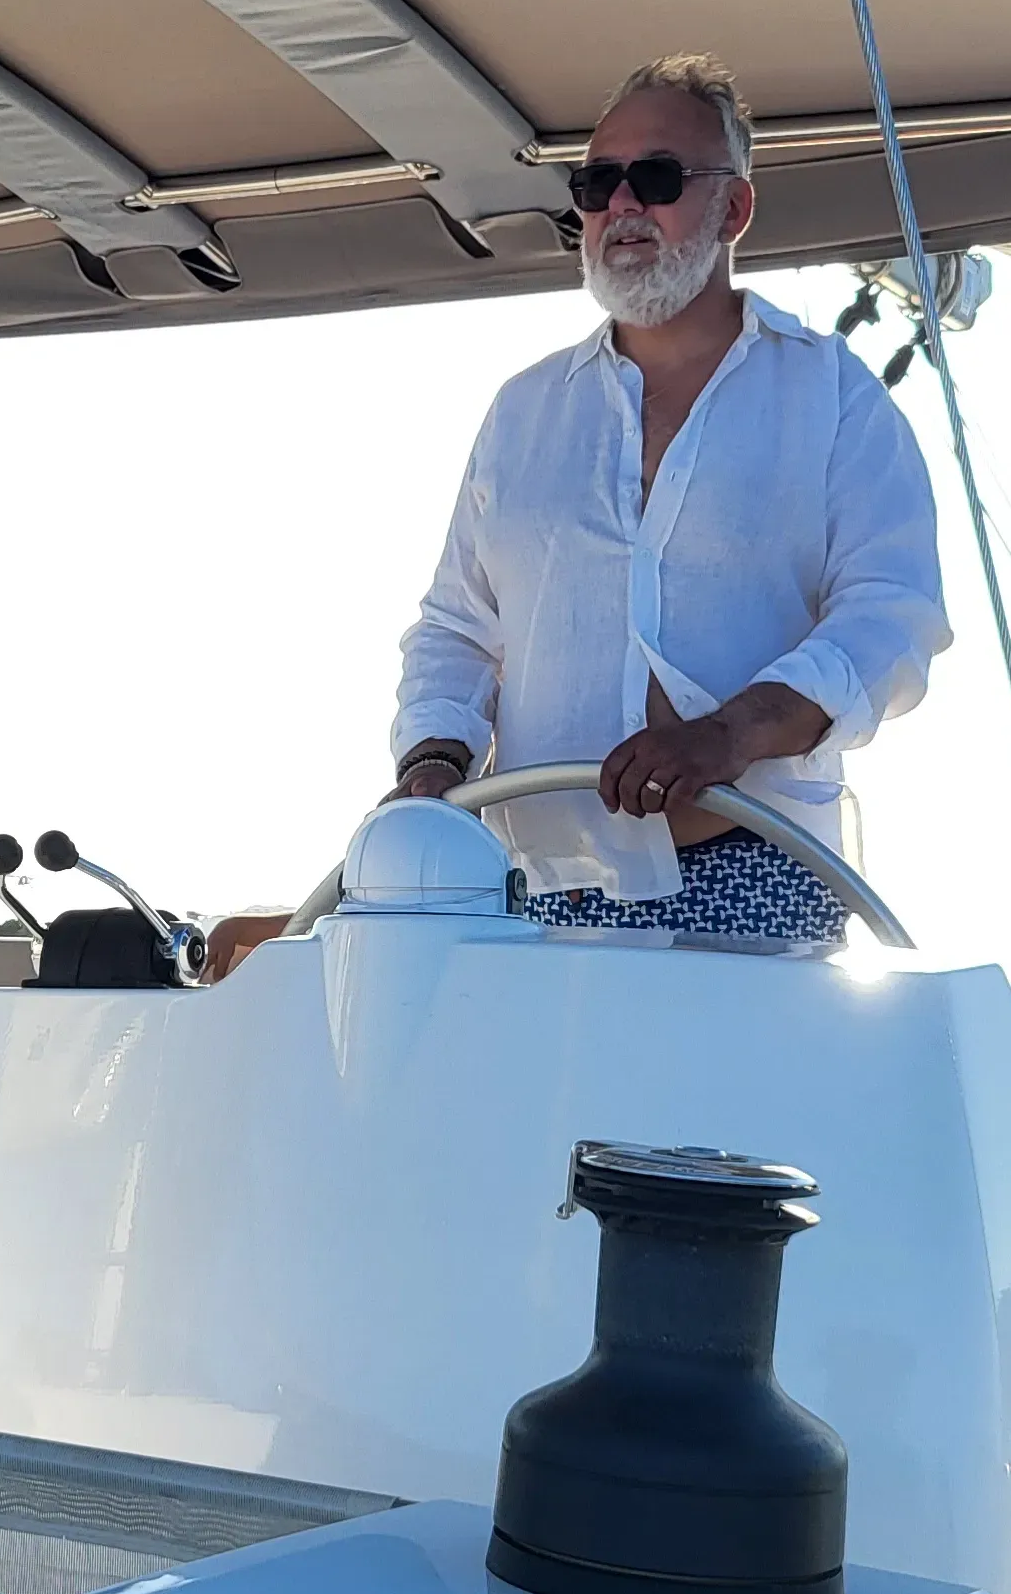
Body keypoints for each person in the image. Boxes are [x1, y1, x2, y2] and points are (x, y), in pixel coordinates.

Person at [205, 53, 949, 978]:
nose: (622, 204)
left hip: (759, 876)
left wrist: (729, 736)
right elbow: (457, 628)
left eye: (658, 178)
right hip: (531, 892)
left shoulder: (835, 398)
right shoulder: (524, 412)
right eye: (598, 184)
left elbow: (890, 619)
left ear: (734, 210)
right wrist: (433, 763)